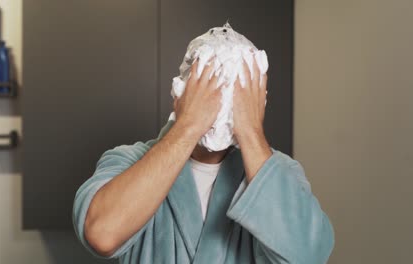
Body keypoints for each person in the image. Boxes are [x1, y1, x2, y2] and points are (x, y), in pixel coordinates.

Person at [73, 57, 335, 263]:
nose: (218, 105)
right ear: (180, 93)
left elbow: (309, 255)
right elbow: (101, 234)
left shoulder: (278, 173)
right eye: (206, 89)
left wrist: (251, 132)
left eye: (232, 92)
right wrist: (188, 126)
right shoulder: (129, 159)